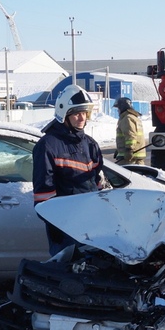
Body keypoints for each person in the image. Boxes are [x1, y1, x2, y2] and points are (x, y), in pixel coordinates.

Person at [33, 84, 105, 254]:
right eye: (77, 113)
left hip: (92, 225)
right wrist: (58, 225)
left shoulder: (90, 144)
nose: (82, 118)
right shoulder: (48, 146)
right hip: (66, 230)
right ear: (64, 115)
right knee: (68, 275)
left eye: (84, 113)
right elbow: (43, 194)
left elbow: (96, 182)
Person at [114, 97, 146, 164]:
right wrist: (119, 150)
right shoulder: (134, 118)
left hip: (129, 159)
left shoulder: (127, 118)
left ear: (122, 107)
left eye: (118, 108)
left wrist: (129, 150)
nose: (118, 111)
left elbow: (131, 135)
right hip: (135, 158)